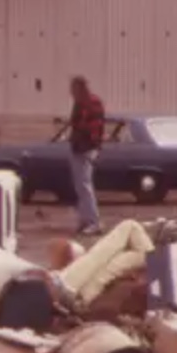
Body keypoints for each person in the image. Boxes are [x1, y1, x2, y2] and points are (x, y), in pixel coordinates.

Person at [67, 75, 106, 235]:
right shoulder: (79, 103)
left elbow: (94, 127)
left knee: (85, 185)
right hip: (78, 147)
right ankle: (84, 219)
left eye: (73, 88)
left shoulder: (92, 103)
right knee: (80, 186)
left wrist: (91, 145)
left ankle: (94, 221)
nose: (71, 91)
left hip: (87, 148)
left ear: (80, 88)